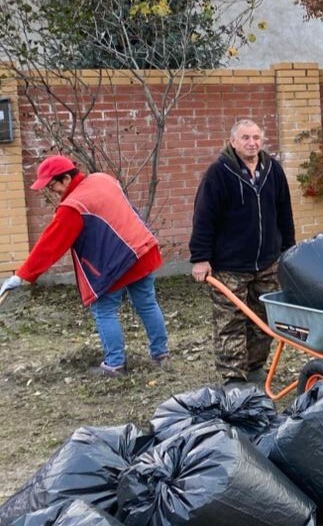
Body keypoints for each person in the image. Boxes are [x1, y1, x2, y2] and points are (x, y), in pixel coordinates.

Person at [0, 155, 169, 377]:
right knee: (146, 303)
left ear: (67, 178)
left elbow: (49, 246)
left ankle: (115, 364)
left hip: (116, 263)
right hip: (141, 250)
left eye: (53, 186)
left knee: (104, 310)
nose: (54, 193)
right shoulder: (103, 179)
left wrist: (21, 276)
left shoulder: (73, 207)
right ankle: (161, 355)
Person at [189, 119, 296, 384]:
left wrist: (289, 250)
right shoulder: (219, 173)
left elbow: (284, 212)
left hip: (267, 263)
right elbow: (204, 217)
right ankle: (233, 378)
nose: (252, 143)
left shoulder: (273, 170)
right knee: (231, 323)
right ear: (233, 142)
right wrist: (201, 258)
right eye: (246, 138)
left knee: (264, 320)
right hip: (229, 266)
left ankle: (255, 366)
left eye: (256, 138)